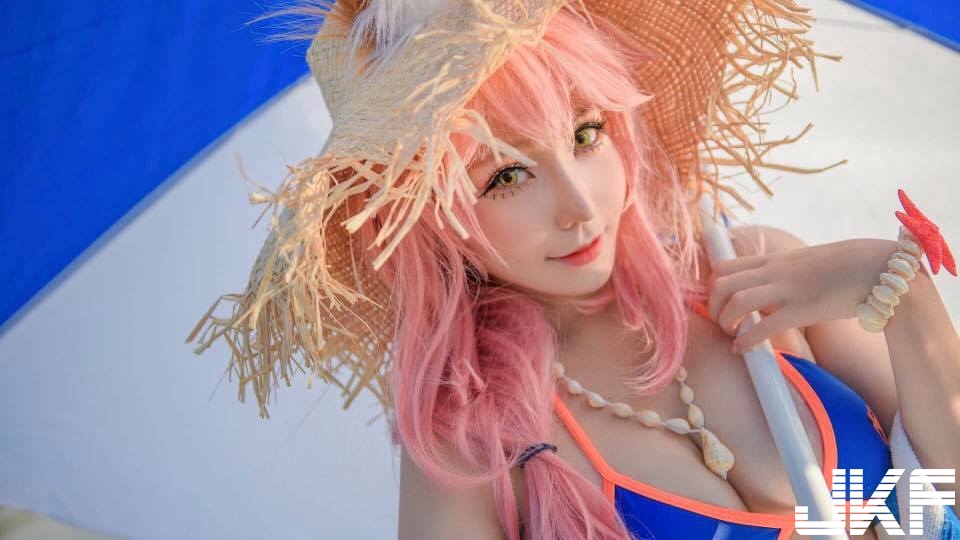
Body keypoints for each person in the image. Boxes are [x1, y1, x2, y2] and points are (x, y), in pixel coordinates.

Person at [188, 1, 960, 538]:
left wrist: (900, 295)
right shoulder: (473, 449)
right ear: (433, 218)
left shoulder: (760, 271)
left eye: (586, 134)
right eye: (506, 176)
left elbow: (944, 493)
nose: (580, 205)